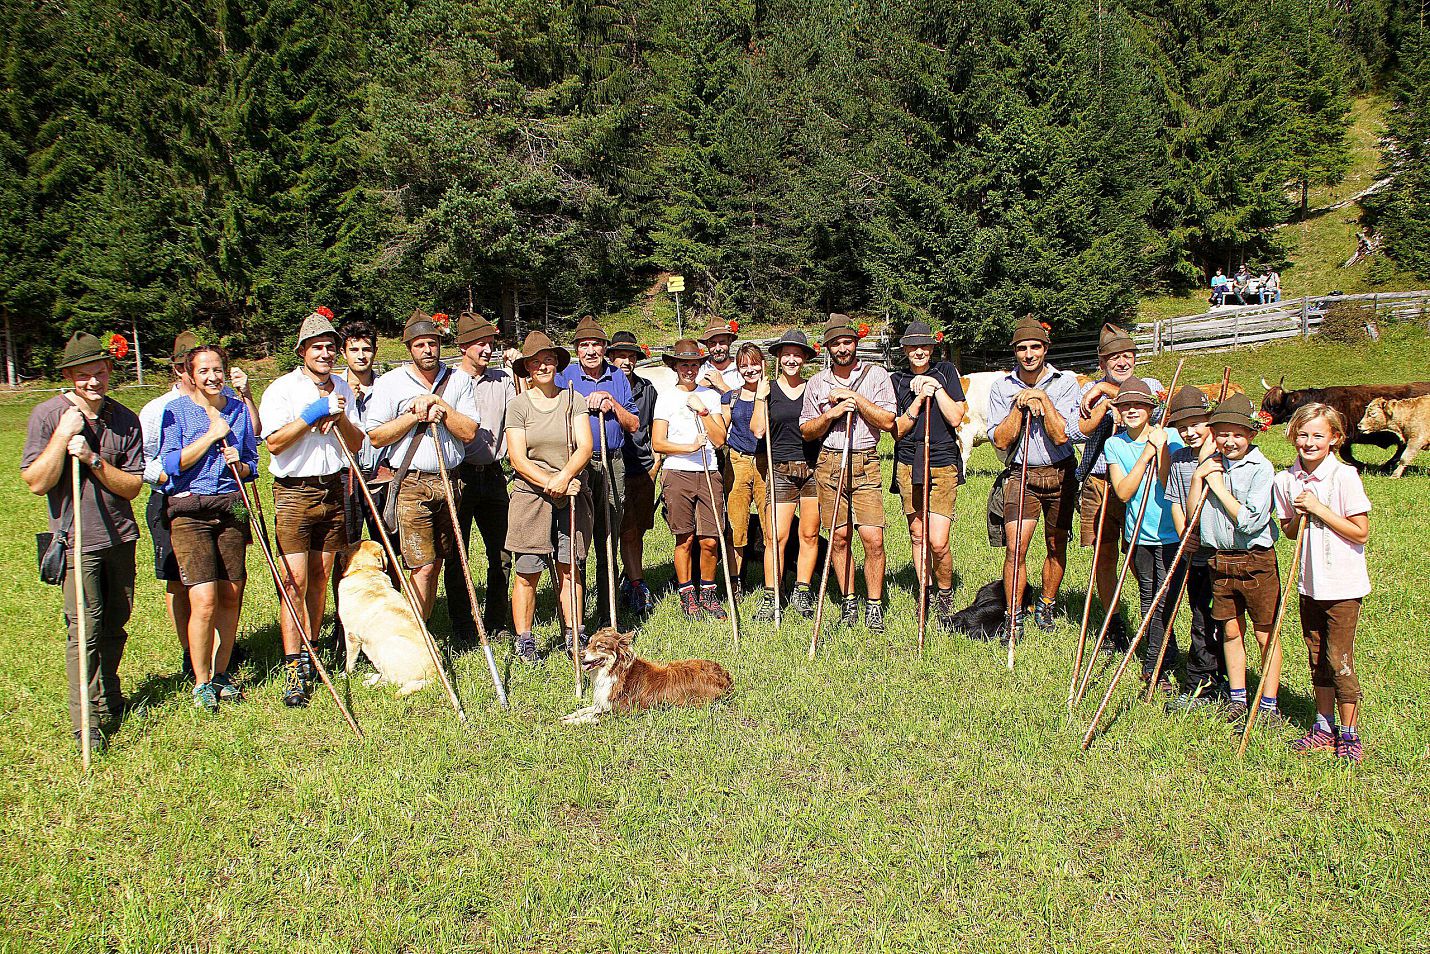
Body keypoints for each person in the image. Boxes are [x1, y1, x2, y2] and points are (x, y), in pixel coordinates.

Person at [22, 332, 145, 754]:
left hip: (119, 536)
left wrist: (92, 459)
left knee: (115, 622)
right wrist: (64, 437)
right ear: (69, 377)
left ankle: (108, 694)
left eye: (98, 372)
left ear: (109, 371)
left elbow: (131, 487)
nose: (92, 382)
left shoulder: (125, 419)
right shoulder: (46, 416)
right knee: (84, 630)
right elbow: (36, 482)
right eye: (82, 375)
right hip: (76, 540)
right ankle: (86, 722)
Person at [259, 310, 366, 707]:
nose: (325, 353)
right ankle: (293, 665)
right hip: (294, 492)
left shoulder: (343, 387)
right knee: (295, 582)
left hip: (333, 489)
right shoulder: (281, 390)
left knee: (322, 577)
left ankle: (313, 650)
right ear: (302, 350)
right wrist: (312, 414)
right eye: (317, 347)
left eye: (329, 347)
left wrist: (338, 417)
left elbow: (356, 444)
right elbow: (274, 443)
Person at [156, 344, 260, 712]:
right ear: (191, 374)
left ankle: (221, 673)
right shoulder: (177, 412)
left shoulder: (237, 411)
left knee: (232, 592)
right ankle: (200, 681)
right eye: (204, 371)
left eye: (218, 369)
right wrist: (212, 437)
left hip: (231, 505)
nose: (213, 377)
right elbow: (170, 465)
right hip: (190, 511)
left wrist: (242, 465)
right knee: (203, 599)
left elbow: (252, 461)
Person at [365, 310, 481, 619]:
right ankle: (416, 636)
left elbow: (469, 432)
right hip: (411, 485)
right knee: (423, 566)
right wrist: (414, 414)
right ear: (409, 348)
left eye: (432, 343)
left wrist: (440, 406)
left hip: (450, 481)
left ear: (440, 344)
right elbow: (376, 436)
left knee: (441, 560)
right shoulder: (391, 383)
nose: (427, 350)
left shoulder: (459, 381)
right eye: (419, 345)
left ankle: (423, 625)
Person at [1273, 404, 1370, 762]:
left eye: (1317, 435)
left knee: (1338, 657)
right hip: (1309, 584)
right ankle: (1323, 726)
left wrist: (1320, 509)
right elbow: (1288, 531)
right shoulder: (1286, 480)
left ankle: (1350, 733)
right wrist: (1299, 515)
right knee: (1316, 656)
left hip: (1342, 586)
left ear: (1334, 438)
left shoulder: (1343, 476)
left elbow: (1360, 533)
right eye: (1302, 434)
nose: (1309, 442)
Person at [799, 314, 897, 631]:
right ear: (828, 347)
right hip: (829, 461)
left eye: (847, 341)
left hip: (865, 459)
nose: (842, 348)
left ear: (856, 343)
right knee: (839, 538)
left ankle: (874, 604)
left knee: (873, 538)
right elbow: (807, 431)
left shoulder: (876, 375)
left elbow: (887, 421)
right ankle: (849, 601)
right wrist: (833, 413)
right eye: (836, 343)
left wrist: (855, 399)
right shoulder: (817, 383)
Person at [987, 316, 1081, 642]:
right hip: (1021, 475)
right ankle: (1013, 616)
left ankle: (1046, 604)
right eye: (1022, 348)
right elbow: (1000, 440)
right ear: (1015, 352)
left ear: (1045, 348)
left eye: (1035, 347)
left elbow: (1061, 435)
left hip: (1060, 472)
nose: (1029, 354)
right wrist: (1018, 407)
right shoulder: (1002, 387)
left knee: (1056, 545)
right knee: (1016, 549)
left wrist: (1044, 400)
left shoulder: (1066, 382)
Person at [1191, 392, 1281, 725]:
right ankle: (1238, 698)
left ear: (1252, 434)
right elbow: (1194, 517)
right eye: (1223, 433)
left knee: (1264, 633)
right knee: (1230, 631)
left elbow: (1250, 520)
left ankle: (1269, 704)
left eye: (1238, 434)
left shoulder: (1261, 468)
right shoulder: (1212, 463)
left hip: (1255, 559)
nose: (1229, 441)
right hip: (1219, 559)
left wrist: (1215, 483)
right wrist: (1203, 474)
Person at [504, 332, 593, 660]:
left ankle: (574, 633)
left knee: (570, 566)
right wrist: (552, 482)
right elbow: (518, 458)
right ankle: (525, 639)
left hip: (570, 494)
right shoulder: (518, 406)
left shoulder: (574, 400)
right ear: (527, 367)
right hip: (531, 497)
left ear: (557, 363)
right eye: (535, 361)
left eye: (548, 360)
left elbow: (585, 445)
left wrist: (566, 476)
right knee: (528, 570)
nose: (543, 366)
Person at [1075, 323, 1165, 646]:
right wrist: (1100, 402)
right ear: (1102, 363)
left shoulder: (1150, 385)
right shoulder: (1088, 391)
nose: (1122, 363)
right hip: (1100, 480)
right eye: (1114, 358)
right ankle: (1113, 623)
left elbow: (1160, 414)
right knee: (1105, 555)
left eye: (1128, 355)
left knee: (1143, 555)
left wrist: (1110, 393)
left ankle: (1153, 617)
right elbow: (1077, 431)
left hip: (1141, 482)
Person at [555, 315, 639, 625]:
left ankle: (607, 616)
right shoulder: (564, 376)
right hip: (577, 461)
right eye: (584, 345)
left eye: (596, 344)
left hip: (612, 459)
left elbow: (633, 424)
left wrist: (611, 403)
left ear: (605, 347)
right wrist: (580, 405)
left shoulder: (617, 376)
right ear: (576, 349)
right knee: (574, 538)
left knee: (608, 537)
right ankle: (571, 617)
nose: (591, 350)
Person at [1102, 378, 1183, 694]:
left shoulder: (1171, 437)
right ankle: (1161, 657)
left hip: (1170, 535)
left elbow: (1169, 482)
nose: (1132, 410)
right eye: (1125, 406)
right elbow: (1123, 491)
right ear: (1119, 412)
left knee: (1163, 602)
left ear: (1151, 408)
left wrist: (1160, 449)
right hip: (1140, 535)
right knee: (1150, 600)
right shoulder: (1115, 445)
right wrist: (1145, 454)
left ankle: (1155, 666)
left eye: (1139, 404)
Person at [445, 311, 517, 645]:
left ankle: (497, 621)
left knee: (502, 552)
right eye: (480, 344)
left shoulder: (502, 381)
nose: (487, 350)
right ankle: (462, 624)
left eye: (490, 343)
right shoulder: (447, 383)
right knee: (458, 554)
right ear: (463, 347)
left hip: (492, 475)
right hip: (457, 477)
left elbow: (517, 417)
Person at [890, 321, 967, 629]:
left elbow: (957, 416)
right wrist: (918, 401)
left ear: (932, 348)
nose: (918, 351)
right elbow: (896, 429)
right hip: (909, 462)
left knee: (938, 541)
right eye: (912, 346)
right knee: (917, 534)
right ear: (905, 349)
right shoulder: (896, 380)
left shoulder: (946, 372)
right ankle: (926, 592)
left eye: (924, 346)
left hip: (942, 462)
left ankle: (945, 593)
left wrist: (936, 390)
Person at [1163, 386, 1230, 711]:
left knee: (1229, 622)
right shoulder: (1178, 459)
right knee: (1201, 617)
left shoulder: (1227, 457)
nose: (1189, 432)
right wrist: (1183, 534)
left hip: (1229, 555)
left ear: (1210, 420)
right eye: (1182, 426)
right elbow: (1175, 502)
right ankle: (1202, 685)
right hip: (1197, 556)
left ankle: (1233, 682)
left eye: (1196, 423)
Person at [654, 338, 730, 620]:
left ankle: (708, 592)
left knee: (710, 539)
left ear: (701, 365)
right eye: (684, 363)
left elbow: (720, 439)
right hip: (677, 472)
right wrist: (689, 447)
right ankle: (687, 594)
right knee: (684, 538)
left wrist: (702, 410)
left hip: (709, 471)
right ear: (675, 366)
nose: (689, 369)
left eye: (694, 364)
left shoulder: (709, 397)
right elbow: (658, 442)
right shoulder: (665, 397)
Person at [138, 331, 199, 677]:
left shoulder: (216, 403)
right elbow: (143, 462)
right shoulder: (157, 410)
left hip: (214, 501)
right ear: (178, 368)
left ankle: (220, 644)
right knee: (179, 580)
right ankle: (190, 651)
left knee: (218, 580)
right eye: (190, 366)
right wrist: (168, 480)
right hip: (169, 501)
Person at [766, 329, 822, 619]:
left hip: (812, 467)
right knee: (776, 536)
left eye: (796, 354)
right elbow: (757, 430)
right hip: (780, 468)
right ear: (778, 357)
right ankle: (772, 594)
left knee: (809, 533)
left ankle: (802, 591)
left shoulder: (814, 388)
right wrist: (758, 398)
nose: (791, 359)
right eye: (786, 353)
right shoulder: (768, 390)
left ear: (804, 358)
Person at [607, 331, 659, 616]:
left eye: (630, 357)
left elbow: (652, 429)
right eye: (620, 356)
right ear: (611, 358)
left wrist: (655, 466)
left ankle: (631, 578)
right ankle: (633, 582)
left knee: (637, 529)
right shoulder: (605, 385)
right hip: (614, 464)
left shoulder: (647, 390)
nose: (626, 362)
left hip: (640, 466)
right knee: (622, 530)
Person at [720, 343, 771, 607]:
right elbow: (721, 428)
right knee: (736, 526)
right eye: (743, 365)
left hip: (767, 461)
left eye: (754, 363)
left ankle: (774, 583)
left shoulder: (774, 393)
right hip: (738, 461)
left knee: (769, 524)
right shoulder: (731, 397)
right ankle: (735, 580)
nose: (750, 369)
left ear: (763, 363)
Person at [341, 319, 385, 542]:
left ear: (375, 351)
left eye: (366, 349)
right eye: (354, 349)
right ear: (343, 352)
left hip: (380, 475)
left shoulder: (387, 388)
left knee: (388, 544)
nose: (361, 355)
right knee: (346, 544)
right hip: (345, 475)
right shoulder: (334, 387)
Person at [697, 317, 743, 393]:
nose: (718, 348)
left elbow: (747, 401)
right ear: (706, 344)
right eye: (713, 343)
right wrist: (699, 387)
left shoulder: (741, 369)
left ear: (730, 341)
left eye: (722, 342)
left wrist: (722, 385)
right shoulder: (698, 369)